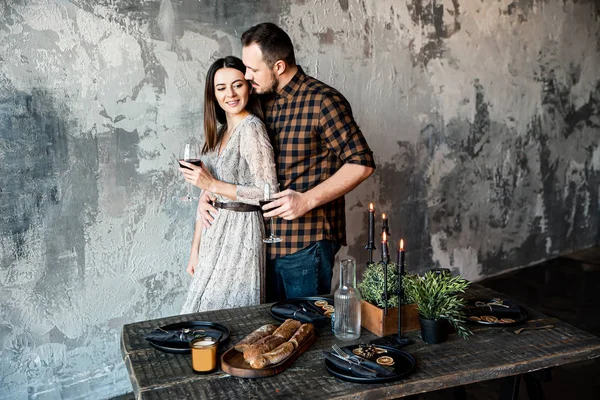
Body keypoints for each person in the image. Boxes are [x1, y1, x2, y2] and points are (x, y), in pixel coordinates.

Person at [197, 23, 376, 302]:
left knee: (305, 330)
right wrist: (210, 193)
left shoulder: (322, 101)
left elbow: (361, 163)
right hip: (261, 243)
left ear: (278, 66)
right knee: (268, 332)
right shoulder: (259, 99)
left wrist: (307, 200)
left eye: (253, 70)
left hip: (305, 242)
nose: (246, 76)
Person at [179, 56, 278, 313]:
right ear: (213, 95)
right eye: (221, 88)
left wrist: (213, 184)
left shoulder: (252, 129)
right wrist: (195, 249)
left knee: (232, 316)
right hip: (215, 233)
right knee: (202, 315)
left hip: (242, 232)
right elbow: (208, 196)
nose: (230, 94)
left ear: (248, 86)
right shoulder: (222, 131)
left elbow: (268, 192)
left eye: (237, 85)